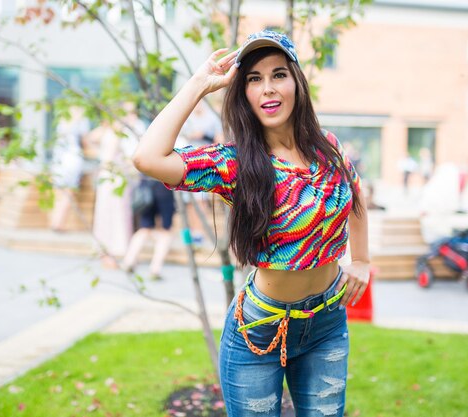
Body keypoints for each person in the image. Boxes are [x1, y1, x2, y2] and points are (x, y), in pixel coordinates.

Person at [131, 30, 369, 416]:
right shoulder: (235, 162)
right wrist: (198, 85)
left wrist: (361, 259)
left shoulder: (328, 146)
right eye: (254, 79)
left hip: (326, 322)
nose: (267, 88)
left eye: (278, 74)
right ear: (242, 93)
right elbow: (147, 157)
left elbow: (356, 196)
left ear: (296, 82)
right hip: (258, 329)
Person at [87, 104, 145, 269]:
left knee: (108, 215)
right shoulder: (117, 132)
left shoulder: (109, 130)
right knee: (115, 215)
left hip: (107, 176)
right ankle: (111, 254)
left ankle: (107, 253)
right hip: (114, 177)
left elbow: (91, 138)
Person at [49, 106, 90, 232]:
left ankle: (55, 222)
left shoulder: (62, 120)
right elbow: (85, 142)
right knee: (69, 192)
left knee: (59, 193)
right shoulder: (81, 121)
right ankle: (60, 224)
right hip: (72, 158)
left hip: (59, 160)